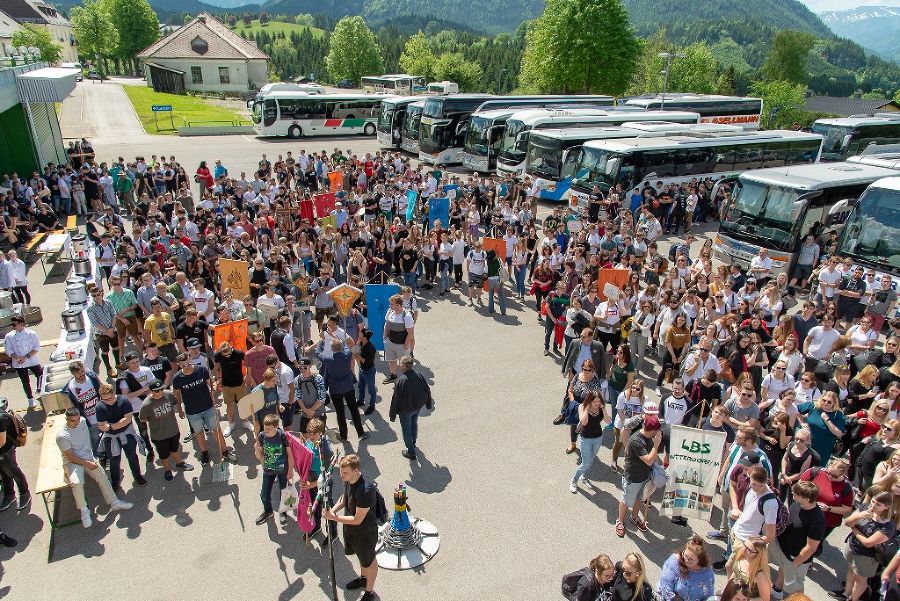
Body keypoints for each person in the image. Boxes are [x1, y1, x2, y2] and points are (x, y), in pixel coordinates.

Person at [56, 407, 133, 528]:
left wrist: (91, 459)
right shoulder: (62, 435)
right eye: (72, 420)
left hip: (88, 457)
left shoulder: (82, 421)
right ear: (66, 420)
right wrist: (87, 463)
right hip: (73, 461)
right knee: (76, 482)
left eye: (77, 419)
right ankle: (84, 510)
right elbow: (71, 457)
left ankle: (114, 502)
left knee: (102, 476)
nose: (75, 422)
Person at [324, 454, 379, 601]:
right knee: (363, 559)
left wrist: (333, 517)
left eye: (345, 473)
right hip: (352, 530)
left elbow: (357, 519)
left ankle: (370, 592)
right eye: (341, 472)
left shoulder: (366, 489)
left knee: (369, 560)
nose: (341, 476)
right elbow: (344, 497)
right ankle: (363, 579)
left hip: (365, 533)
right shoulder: (350, 480)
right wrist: (333, 510)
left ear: (356, 470)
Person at [172, 353, 236, 464]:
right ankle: (204, 453)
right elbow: (176, 394)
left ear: (190, 359)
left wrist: (214, 387)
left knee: (217, 430)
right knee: (199, 432)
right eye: (183, 366)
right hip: (192, 411)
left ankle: (225, 451)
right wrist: (180, 409)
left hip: (208, 407)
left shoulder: (201, 370)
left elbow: (210, 384)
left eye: (188, 363)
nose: (187, 367)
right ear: (179, 365)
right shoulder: (177, 378)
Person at [768, 480, 824, 597]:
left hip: (796, 558)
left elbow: (811, 547)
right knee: (783, 568)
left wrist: (795, 563)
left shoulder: (817, 520)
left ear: (806, 498)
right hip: (786, 550)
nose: (792, 494)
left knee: (795, 587)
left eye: (795, 494)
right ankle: (778, 588)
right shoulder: (798, 503)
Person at [841, 491, 897, 601]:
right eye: (873, 502)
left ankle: (853, 598)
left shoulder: (887, 526)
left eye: (878, 504)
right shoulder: (865, 508)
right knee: (850, 571)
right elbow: (847, 522)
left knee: (860, 579)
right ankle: (845, 593)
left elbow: (868, 543)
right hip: (853, 547)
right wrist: (859, 516)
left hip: (866, 556)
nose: (873, 506)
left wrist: (854, 529)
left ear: (886, 507)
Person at [616, 414, 663, 537]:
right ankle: (620, 521)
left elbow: (652, 458)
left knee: (639, 498)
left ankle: (634, 517)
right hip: (633, 477)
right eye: (657, 430)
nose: (659, 432)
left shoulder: (650, 437)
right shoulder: (637, 440)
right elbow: (648, 459)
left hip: (644, 475)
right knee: (626, 500)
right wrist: (656, 445)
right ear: (652, 430)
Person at [138, 380, 194, 481]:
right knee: (164, 455)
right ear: (151, 391)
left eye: (161, 389)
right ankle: (168, 470)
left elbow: (175, 402)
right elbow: (142, 418)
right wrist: (153, 419)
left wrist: (181, 412)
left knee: (175, 449)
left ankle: (179, 463)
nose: (160, 392)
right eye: (156, 391)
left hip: (173, 430)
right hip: (159, 435)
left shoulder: (168, 394)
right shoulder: (146, 404)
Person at [95, 383, 146, 492]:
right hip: (110, 438)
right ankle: (115, 482)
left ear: (114, 394)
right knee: (114, 461)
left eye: (110, 398)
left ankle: (138, 476)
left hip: (127, 434)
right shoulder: (100, 406)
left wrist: (110, 427)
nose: (107, 401)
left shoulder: (124, 400)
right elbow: (101, 426)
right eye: (105, 400)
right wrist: (112, 427)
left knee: (132, 456)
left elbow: (127, 419)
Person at [317, 339, 367, 443]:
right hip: (348, 387)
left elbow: (318, 353)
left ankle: (344, 436)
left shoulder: (327, 359)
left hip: (335, 390)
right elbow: (348, 347)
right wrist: (341, 342)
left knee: (340, 413)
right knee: (354, 411)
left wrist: (320, 343)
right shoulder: (347, 355)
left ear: (331, 349)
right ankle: (360, 433)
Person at [254, 413, 295, 526]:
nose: (266, 430)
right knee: (264, 494)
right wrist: (256, 450)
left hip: (282, 469)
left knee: (284, 492)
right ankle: (268, 511)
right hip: (269, 469)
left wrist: (290, 470)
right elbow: (260, 455)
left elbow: (290, 454)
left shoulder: (282, 436)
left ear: (276, 427)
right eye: (265, 428)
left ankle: (283, 512)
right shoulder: (261, 436)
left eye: (269, 429)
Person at [389, 355, 433, 460]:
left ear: (403, 366)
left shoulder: (401, 380)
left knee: (406, 430)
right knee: (413, 424)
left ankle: (411, 452)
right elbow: (427, 389)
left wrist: (392, 414)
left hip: (405, 411)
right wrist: (428, 404)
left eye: (400, 363)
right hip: (417, 408)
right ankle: (413, 442)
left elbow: (396, 399)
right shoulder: (418, 375)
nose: (399, 365)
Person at [570, 391, 610, 493]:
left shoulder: (601, 408)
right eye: (594, 401)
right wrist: (587, 408)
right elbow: (584, 421)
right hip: (586, 439)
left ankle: (582, 475)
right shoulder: (582, 407)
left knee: (591, 459)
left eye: (599, 401)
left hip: (598, 438)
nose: (597, 403)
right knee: (585, 462)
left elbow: (608, 421)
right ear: (589, 401)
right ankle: (573, 480)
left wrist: (603, 408)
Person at [657, 535, 716, 601]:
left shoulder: (707, 572)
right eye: (685, 555)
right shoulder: (674, 562)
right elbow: (665, 586)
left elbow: (709, 593)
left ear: (700, 560)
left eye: (691, 559)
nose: (686, 560)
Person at [213, 341, 252, 437]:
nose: (227, 356)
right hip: (226, 385)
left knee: (243, 404)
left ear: (232, 348)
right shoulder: (218, 355)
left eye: (229, 354)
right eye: (225, 355)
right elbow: (215, 366)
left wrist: (247, 375)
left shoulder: (239, 353)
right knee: (229, 405)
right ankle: (231, 424)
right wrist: (218, 378)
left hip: (239, 383)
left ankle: (246, 422)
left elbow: (248, 362)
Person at [4, 316, 42, 409]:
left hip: (32, 360)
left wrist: (26, 357)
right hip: (19, 363)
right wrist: (17, 357)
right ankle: (30, 399)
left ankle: (40, 389)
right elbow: (8, 350)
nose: (12, 326)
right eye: (11, 324)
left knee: (41, 375)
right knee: (25, 382)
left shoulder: (32, 334)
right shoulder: (9, 336)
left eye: (14, 324)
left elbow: (36, 347)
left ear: (21, 324)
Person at [383, 294, 414, 383]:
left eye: (392, 304)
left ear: (398, 305)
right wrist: (385, 338)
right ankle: (393, 376)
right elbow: (387, 324)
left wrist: (406, 345)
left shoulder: (406, 316)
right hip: (390, 342)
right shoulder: (390, 311)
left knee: (404, 364)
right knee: (391, 360)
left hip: (401, 345)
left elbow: (410, 333)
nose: (390, 305)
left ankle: (407, 381)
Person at [355, 328, 378, 415]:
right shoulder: (361, 343)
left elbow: (367, 362)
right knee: (361, 386)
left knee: (371, 390)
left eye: (361, 334)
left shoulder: (371, 348)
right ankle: (361, 401)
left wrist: (358, 356)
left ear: (365, 337)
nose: (359, 335)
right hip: (362, 369)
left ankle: (372, 406)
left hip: (369, 371)